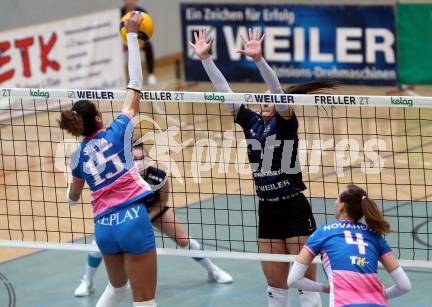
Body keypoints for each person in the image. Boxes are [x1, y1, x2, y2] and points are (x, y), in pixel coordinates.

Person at [190, 28, 338, 307]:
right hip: (267, 209)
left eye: (269, 96)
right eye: (263, 96)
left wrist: (259, 60)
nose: (265, 99)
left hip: (294, 208)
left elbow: (279, 92)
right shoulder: (251, 123)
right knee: (276, 287)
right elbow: (226, 94)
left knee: (304, 286)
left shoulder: (285, 122)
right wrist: (206, 59)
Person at [60, 13, 157, 307]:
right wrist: (131, 36)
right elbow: (135, 84)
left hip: (103, 228)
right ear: (99, 118)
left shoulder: (77, 155)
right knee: (144, 300)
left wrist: (71, 193)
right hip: (132, 220)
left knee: (117, 290)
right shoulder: (117, 131)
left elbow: (73, 198)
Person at [74, 145, 233, 297]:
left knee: (184, 240)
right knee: (98, 245)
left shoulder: (159, 176)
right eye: (133, 159)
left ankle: (213, 270)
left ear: (148, 158)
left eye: (141, 158)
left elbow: (162, 202)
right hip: (125, 215)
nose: (138, 162)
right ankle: (87, 281)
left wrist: (145, 219)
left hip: (153, 211)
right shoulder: (119, 178)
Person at [287, 185, 412, 306]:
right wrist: (379, 294)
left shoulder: (323, 233)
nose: (334, 203)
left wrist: (327, 289)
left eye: (337, 198)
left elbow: (293, 280)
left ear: (342, 205)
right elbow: (404, 286)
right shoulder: (376, 237)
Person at [121, 0, 156, 85]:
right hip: (123, 41)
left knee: (149, 46)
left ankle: (151, 74)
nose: (129, 2)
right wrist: (124, 43)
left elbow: (147, 30)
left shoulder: (142, 12)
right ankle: (120, 79)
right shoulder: (120, 12)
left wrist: (140, 43)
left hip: (139, 39)